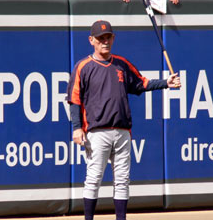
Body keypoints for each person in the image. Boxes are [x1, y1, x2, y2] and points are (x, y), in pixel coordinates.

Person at [66, 20, 181, 220]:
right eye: (100, 38)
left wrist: (166, 83)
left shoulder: (121, 64)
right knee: (93, 179)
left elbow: (140, 83)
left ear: (113, 38)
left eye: (108, 37)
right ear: (91, 40)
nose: (105, 41)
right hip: (96, 131)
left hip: (122, 131)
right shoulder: (83, 66)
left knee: (122, 180)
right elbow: (74, 99)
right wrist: (77, 128)